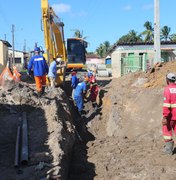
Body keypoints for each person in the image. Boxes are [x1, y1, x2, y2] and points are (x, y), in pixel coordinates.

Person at [162, 73, 176, 155]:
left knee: (167, 131)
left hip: (170, 116)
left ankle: (169, 150)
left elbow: (166, 105)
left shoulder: (167, 89)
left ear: (167, 80)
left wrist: (165, 117)